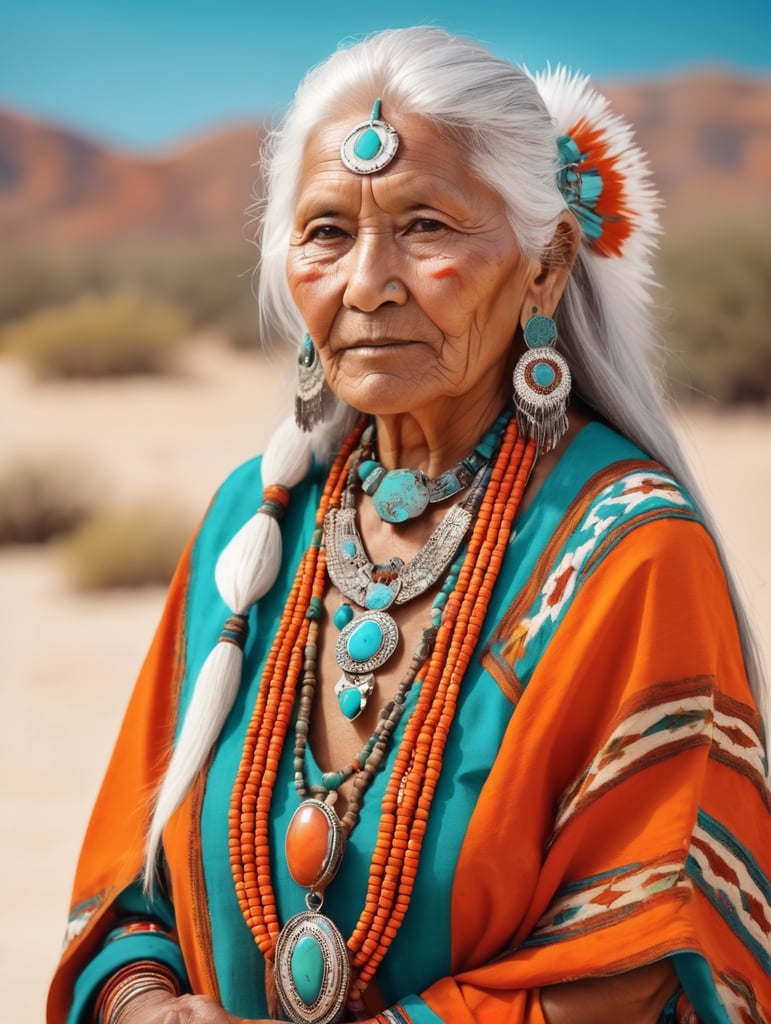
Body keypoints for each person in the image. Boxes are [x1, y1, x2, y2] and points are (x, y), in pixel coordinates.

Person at [47, 26, 770, 1024]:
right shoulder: (250, 530)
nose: (367, 283)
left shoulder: (630, 553)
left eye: (426, 226)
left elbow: (632, 964)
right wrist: (147, 1010)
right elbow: (126, 900)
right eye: (328, 232)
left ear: (548, 264)